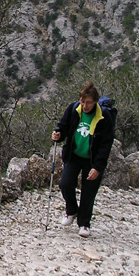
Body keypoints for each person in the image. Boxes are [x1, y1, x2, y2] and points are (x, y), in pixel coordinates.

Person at [51, 81, 115, 238]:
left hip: (92, 160)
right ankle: (71, 211)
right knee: (65, 184)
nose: (85, 106)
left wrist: (98, 167)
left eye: (89, 103)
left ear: (95, 102)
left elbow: (106, 144)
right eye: (83, 101)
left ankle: (84, 223)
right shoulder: (74, 109)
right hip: (74, 155)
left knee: (88, 191)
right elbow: (63, 126)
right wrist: (58, 134)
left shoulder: (104, 117)